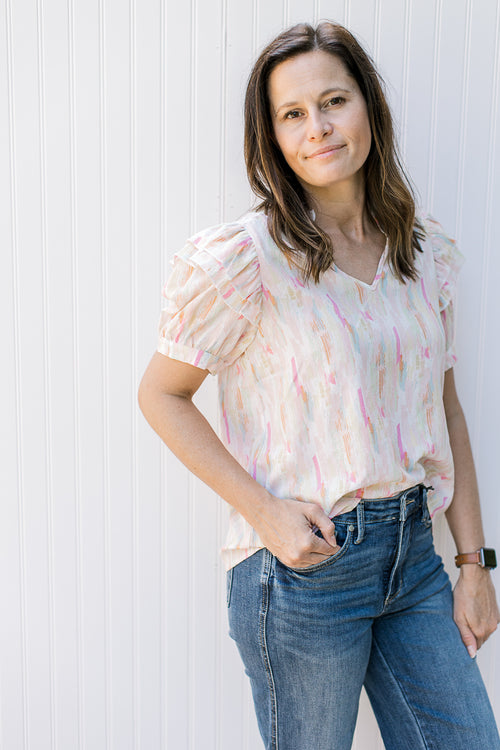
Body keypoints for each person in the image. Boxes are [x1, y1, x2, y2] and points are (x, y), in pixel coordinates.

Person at [138, 21, 500, 750]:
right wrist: (265, 514)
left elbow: (445, 405)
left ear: (369, 106)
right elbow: (161, 395)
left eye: (334, 101)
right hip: (307, 574)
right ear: (270, 135)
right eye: (293, 114)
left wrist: (474, 563)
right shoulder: (244, 260)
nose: (319, 128)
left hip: (416, 562)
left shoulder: (422, 253)